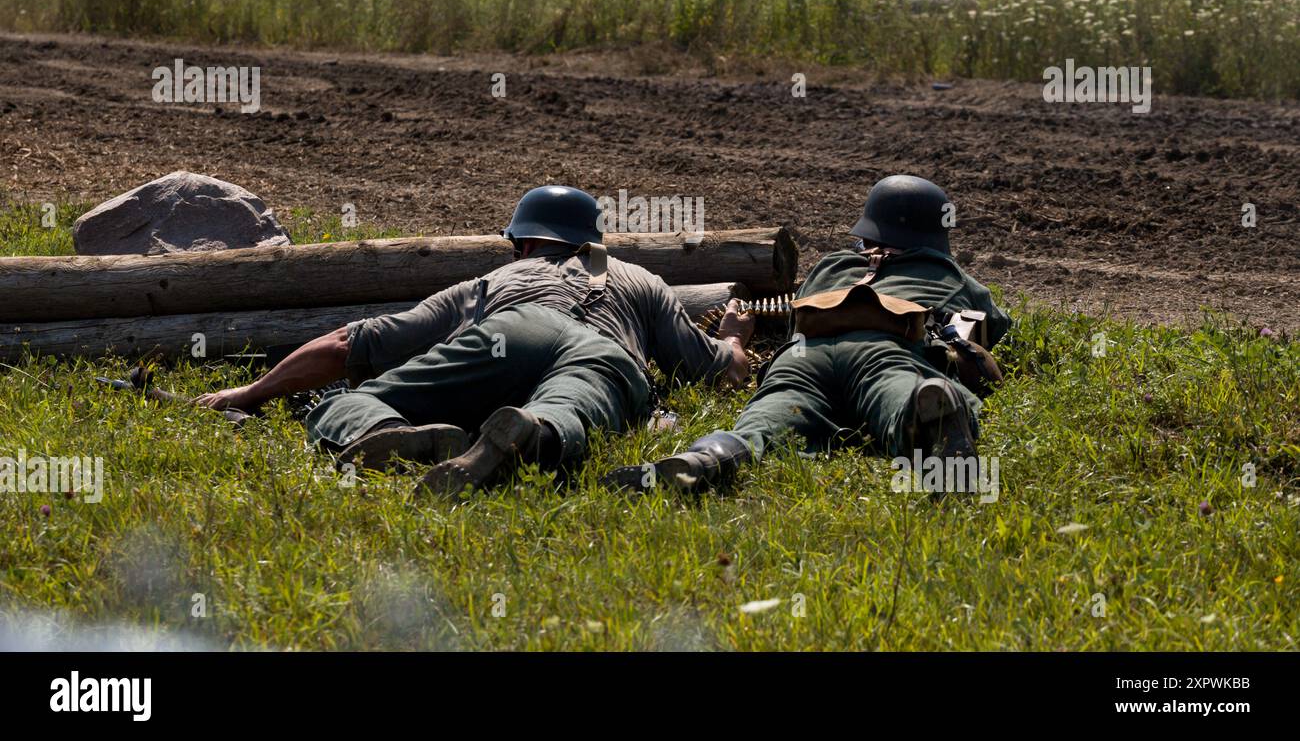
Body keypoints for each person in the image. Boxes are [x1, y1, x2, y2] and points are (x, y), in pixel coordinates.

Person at [197, 185, 754, 495]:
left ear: (521, 244)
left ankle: (391, 431)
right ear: (594, 241)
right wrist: (732, 338)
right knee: (565, 415)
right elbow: (715, 371)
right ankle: (529, 432)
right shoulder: (643, 281)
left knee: (348, 400)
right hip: (602, 356)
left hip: (511, 332)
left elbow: (350, 345)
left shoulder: (492, 282)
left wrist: (246, 394)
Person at [606, 174, 1010, 495]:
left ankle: (708, 459)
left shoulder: (833, 264)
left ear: (868, 232)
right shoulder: (949, 274)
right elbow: (995, 322)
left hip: (804, 357)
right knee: (898, 393)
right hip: (883, 350)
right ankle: (927, 422)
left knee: (764, 422)